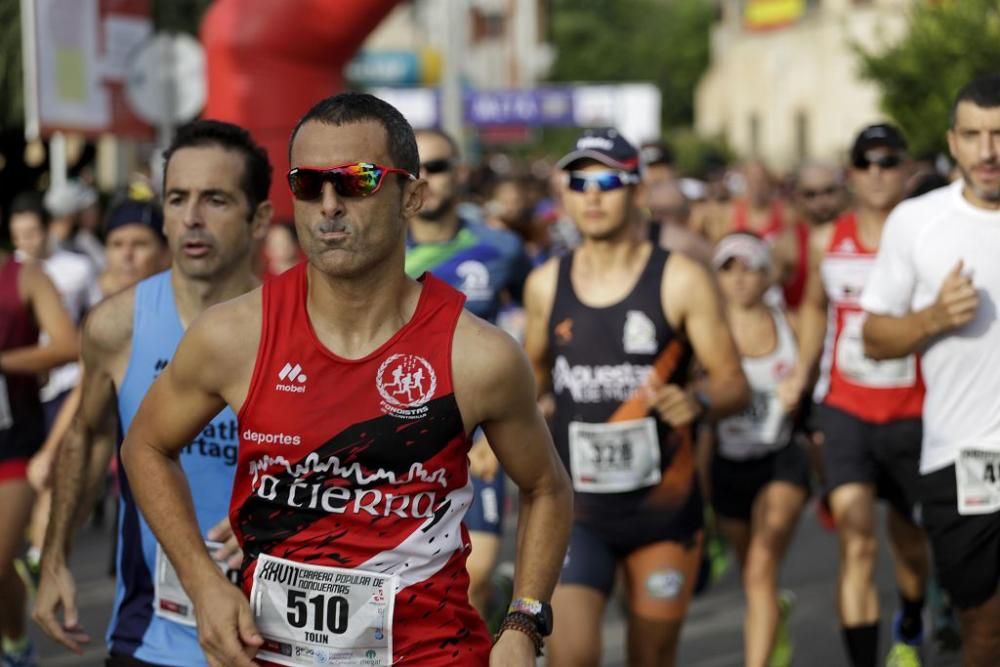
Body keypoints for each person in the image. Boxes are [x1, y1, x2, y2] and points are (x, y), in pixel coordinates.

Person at [119, 92, 572, 666]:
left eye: (356, 181)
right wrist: (204, 582)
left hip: (430, 654)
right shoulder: (235, 334)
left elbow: (547, 487)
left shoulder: (476, 354)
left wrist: (524, 622)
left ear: (412, 195)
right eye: (308, 184)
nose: (328, 204)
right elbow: (145, 445)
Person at [33, 119, 273, 667]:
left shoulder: (301, 331)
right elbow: (88, 439)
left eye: (215, 199)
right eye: (177, 198)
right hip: (153, 633)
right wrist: (55, 558)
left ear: (258, 218)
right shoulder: (117, 326)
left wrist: (282, 519)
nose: (191, 218)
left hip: (275, 637)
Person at [524, 127, 749, 667]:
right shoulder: (545, 285)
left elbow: (734, 384)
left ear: (639, 191)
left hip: (663, 511)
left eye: (608, 180)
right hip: (576, 510)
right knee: (572, 657)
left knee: (651, 658)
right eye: (579, 182)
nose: (592, 195)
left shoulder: (680, 280)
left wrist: (698, 402)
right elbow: (530, 380)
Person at [861, 73, 1000, 667]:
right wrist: (934, 317)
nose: (988, 151)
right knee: (985, 631)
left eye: (999, 134)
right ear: (952, 140)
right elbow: (873, 337)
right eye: (973, 135)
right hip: (963, 458)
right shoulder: (917, 222)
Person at [786, 124, 929, 667]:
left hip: (914, 410)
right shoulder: (828, 240)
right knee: (856, 537)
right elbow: (815, 309)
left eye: (888, 161)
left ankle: (912, 620)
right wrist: (802, 375)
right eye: (865, 163)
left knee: (910, 542)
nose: (876, 173)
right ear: (851, 174)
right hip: (845, 408)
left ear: (906, 168)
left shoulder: (926, 237)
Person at [408, 129, 531, 621]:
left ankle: (489, 604)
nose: (426, 179)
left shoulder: (501, 248)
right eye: (414, 168)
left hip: (479, 435)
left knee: (472, 575)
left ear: (459, 174)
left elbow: (530, 321)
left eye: (437, 167)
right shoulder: (375, 251)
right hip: (400, 429)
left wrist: (501, 424)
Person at [22, 194, 171, 586]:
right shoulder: (105, 320)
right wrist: (50, 453)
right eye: (117, 245)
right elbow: (87, 411)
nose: (127, 256)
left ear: (165, 251)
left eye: (140, 245)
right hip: (131, 489)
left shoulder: (194, 317)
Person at [710, 232, 810, 667]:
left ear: (767, 274)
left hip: (781, 459)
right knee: (753, 570)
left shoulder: (790, 321)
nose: (739, 279)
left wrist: (800, 385)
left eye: (748, 267)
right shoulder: (706, 332)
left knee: (760, 566)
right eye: (727, 268)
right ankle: (775, 617)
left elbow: (818, 374)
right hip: (728, 464)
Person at [0, 250, 78, 667]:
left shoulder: (23, 276)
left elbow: (68, 344)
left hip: (13, 444)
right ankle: (13, 639)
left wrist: (6, 362)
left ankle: (14, 648)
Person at [9, 193, 102, 430]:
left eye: (31, 233)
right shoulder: (11, 275)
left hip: (67, 379)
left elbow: (96, 318)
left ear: (47, 227)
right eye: (17, 235)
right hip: (21, 382)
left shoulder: (79, 268)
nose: (25, 242)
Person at [646, 179, 713, 265]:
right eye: (653, 212)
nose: (658, 218)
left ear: (685, 215)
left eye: (665, 213)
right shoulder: (641, 247)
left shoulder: (696, 249)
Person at [794, 162, 848, 228]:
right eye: (811, 194)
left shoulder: (859, 230)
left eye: (829, 191)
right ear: (797, 197)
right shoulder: (790, 237)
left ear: (841, 191)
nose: (821, 201)